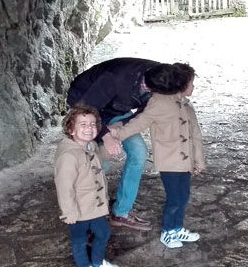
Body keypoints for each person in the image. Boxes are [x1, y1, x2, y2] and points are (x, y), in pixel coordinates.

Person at [66, 58, 179, 231]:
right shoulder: (115, 79)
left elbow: (146, 111)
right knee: (98, 160)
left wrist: (124, 122)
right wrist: (106, 136)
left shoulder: (162, 76)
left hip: (115, 110)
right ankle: (91, 212)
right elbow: (84, 112)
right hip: (84, 105)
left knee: (139, 153)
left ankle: (121, 212)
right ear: (147, 86)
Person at [108, 63, 205, 248]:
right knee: (175, 198)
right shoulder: (158, 103)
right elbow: (139, 122)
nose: (193, 86)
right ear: (180, 85)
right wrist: (116, 134)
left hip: (185, 162)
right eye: (191, 83)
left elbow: (196, 135)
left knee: (183, 196)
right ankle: (168, 232)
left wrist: (198, 160)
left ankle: (177, 228)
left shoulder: (185, 104)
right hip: (170, 162)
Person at [54, 104, 121, 267]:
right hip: (78, 209)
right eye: (83, 124)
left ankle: (98, 264)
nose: (89, 128)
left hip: (96, 207)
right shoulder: (68, 156)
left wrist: (112, 146)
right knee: (79, 240)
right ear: (70, 129)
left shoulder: (90, 145)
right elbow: (64, 186)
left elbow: (98, 157)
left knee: (103, 233)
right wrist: (69, 212)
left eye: (92, 124)